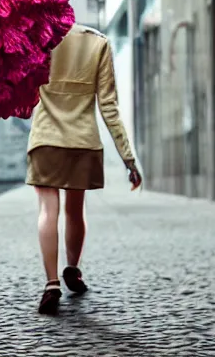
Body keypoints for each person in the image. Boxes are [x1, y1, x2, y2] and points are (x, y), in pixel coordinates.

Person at [26, 23, 142, 316]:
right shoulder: (98, 43)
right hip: (82, 141)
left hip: (45, 138)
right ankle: (73, 270)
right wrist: (128, 158)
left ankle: (51, 284)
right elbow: (108, 106)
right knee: (75, 210)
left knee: (46, 210)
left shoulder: (38, 37)